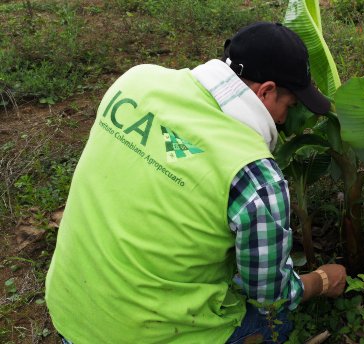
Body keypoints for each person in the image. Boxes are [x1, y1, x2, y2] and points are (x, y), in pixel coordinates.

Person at [45, 22, 346, 343]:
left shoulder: (135, 81)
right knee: (275, 320)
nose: (285, 120)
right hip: (151, 335)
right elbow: (271, 295)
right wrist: (320, 281)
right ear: (266, 91)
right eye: (289, 106)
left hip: (70, 310)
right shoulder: (255, 173)